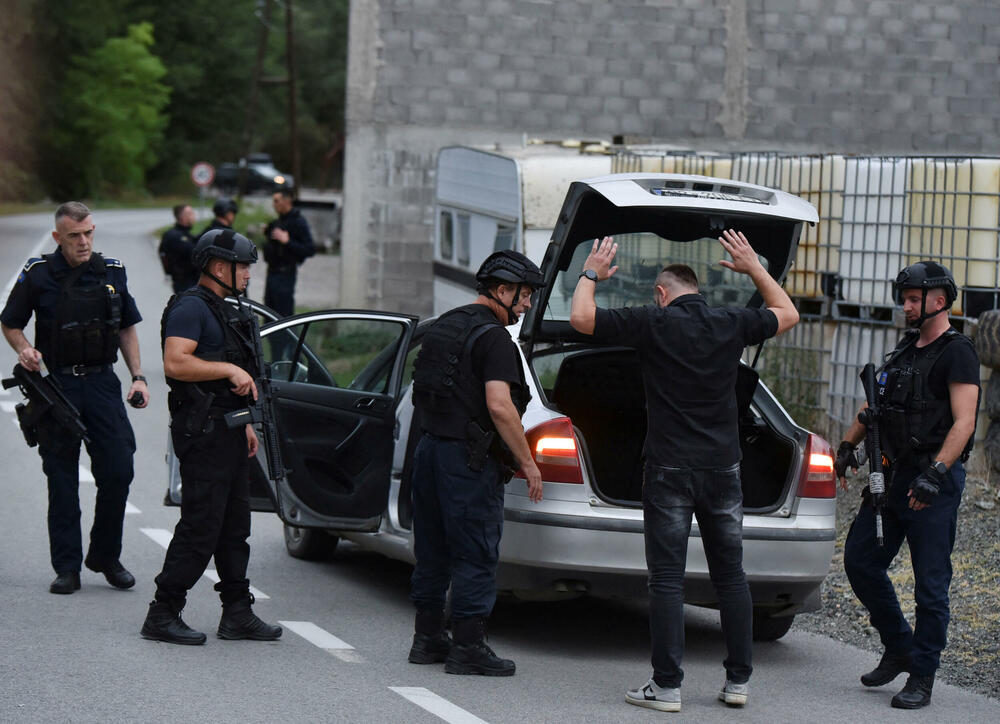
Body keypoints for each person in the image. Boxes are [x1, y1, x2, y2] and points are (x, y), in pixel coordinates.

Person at [569, 231, 799, 712]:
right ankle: (738, 682)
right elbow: (788, 314)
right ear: (699, 291)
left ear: (661, 293)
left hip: (670, 467)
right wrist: (755, 267)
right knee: (731, 575)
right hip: (723, 467)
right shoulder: (729, 322)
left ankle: (667, 687)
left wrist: (591, 272)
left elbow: (581, 318)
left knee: (668, 579)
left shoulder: (653, 322)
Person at [834, 261, 979, 710]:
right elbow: (872, 404)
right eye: (905, 298)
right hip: (892, 477)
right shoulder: (904, 350)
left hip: (932, 482)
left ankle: (922, 674)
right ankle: (899, 644)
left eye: (914, 299)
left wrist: (936, 474)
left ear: (939, 300)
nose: (906, 306)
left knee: (930, 585)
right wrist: (846, 446)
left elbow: (965, 421)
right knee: (860, 560)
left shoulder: (958, 352)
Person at [141, 228, 282, 646]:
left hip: (230, 430)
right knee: (201, 525)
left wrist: (249, 425)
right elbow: (175, 362)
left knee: (235, 526)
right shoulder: (190, 308)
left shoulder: (226, 310)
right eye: (243, 268)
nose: (249, 275)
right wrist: (228, 370)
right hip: (202, 432)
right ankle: (162, 611)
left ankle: (237, 612)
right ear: (219, 267)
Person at [0, 202, 149, 594]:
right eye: (74, 236)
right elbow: (10, 323)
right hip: (57, 387)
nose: (83, 242)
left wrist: (138, 376)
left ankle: (105, 556)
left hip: (102, 384)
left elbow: (127, 328)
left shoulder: (112, 272)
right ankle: (67, 566)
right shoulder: (38, 274)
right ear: (57, 238)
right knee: (62, 478)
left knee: (119, 470)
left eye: (88, 234)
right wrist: (25, 349)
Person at [408, 250, 544, 676]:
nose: (525, 306)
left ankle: (427, 639)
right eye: (522, 297)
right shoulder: (494, 339)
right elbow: (501, 407)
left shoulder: (445, 324)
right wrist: (528, 462)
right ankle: (467, 647)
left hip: (428, 451)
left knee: (432, 550)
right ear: (501, 290)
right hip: (466, 461)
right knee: (475, 552)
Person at [263, 189, 315, 317]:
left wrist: (288, 241)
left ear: (286, 201)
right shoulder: (279, 221)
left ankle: (288, 337)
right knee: (269, 314)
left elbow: (310, 249)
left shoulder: (298, 222)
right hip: (272, 272)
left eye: (276, 201)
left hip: (285, 274)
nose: (273, 204)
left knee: (283, 315)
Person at [158, 204, 199, 293]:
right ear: (182, 217)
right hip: (185, 282)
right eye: (190, 213)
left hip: (190, 281)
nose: (193, 216)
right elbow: (194, 251)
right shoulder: (175, 236)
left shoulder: (185, 234)